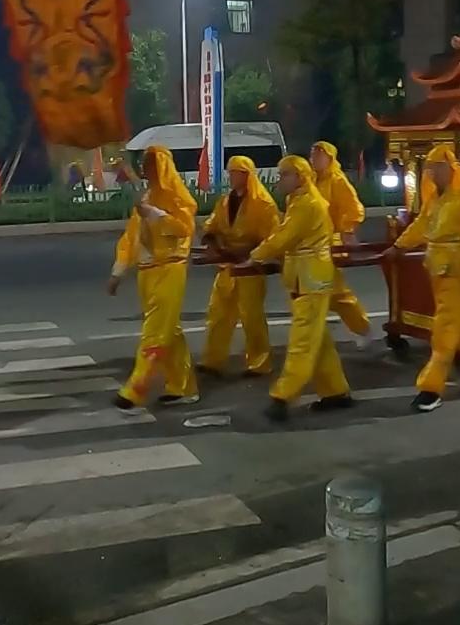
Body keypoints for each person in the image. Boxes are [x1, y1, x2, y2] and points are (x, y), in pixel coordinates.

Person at [390, 145, 460, 411]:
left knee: (444, 331)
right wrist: (399, 246)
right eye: (429, 168)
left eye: (437, 168)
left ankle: (431, 387)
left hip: (458, 272)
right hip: (438, 270)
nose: (432, 173)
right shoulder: (436, 199)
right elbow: (421, 226)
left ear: (451, 169)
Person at [250, 155, 352, 420]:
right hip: (304, 278)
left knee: (302, 341)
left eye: (284, 174)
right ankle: (335, 391)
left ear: (299, 176)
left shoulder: (307, 203)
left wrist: (257, 255)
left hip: (312, 279)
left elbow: (284, 237)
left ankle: (283, 396)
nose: (279, 178)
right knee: (318, 341)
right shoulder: (297, 200)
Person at [107, 146, 200, 410]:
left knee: (155, 333)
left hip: (170, 270)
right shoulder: (147, 196)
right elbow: (131, 239)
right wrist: (118, 272)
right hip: (147, 274)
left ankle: (135, 389)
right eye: (144, 163)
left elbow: (183, 229)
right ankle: (183, 386)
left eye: (150, 163)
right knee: (170, 331)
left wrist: (155, 214)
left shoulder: (177, 197)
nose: (146, 168)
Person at [198, 156, 281, 378]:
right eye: (230, 172)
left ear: (247, 175)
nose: (232, 176)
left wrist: (249, 253)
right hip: (227, 266)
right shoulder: (226, 201)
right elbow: (211, 226)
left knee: (251, 317)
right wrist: (213, 243)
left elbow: (272, 238)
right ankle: (212, 360)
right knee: (218, 314)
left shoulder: (263, 204)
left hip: (250, 269)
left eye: (236, 172)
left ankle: (259, 363)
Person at [309, 142, 373, 346]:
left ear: (330, 158)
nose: (315, 159)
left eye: (320, 155)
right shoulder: (310, 181)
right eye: (313, 155)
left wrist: (346, 231)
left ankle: (361, 328)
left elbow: (354, 209)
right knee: (320, 294)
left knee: (335, 294)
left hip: (329, 244)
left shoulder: (337, 181)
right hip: (310, 246)